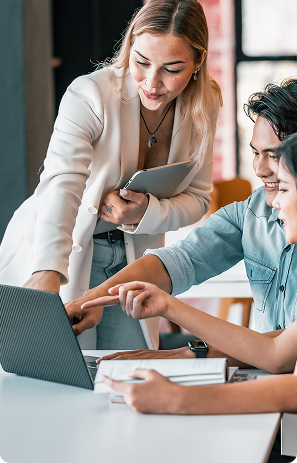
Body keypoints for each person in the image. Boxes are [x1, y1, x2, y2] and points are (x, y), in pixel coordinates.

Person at [0, 0, 222, 350]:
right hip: (59, 246)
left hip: (133, 262)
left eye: (172, 69)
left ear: (198, 62)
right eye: (142, 61)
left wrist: (145, 212)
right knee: (59, 380)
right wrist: (47, 271)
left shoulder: (206, 102)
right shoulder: (89, 94)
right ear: (130, 45)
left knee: (129, 372)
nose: (152, 82)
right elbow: (62, 181)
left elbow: (198, 199)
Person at [65, 78, 297, 352]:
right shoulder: (252, 212)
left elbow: (281, 353)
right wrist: (93, 299)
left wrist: (181, 354)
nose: (258, 169)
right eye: (255, 153)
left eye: (272, 156)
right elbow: (180, 259)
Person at [82, 132, 297, 421]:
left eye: (283, 188)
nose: (272, 203)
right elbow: (276, 353)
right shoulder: (250, 212)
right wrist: (167, 306)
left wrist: (177, 398)